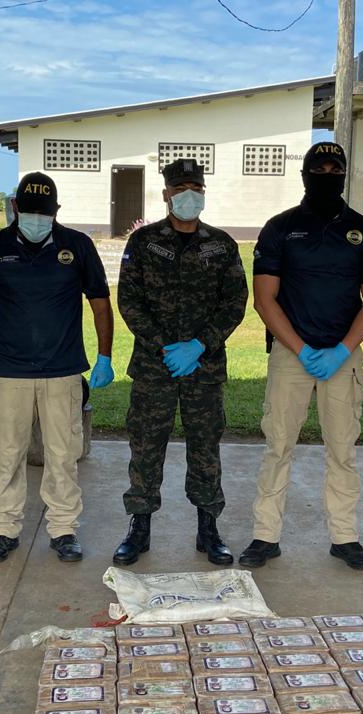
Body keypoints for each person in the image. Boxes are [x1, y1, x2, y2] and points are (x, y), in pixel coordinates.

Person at [0, 172, 113, 563]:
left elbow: (100, 302)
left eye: (45, 212)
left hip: (63, 370)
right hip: (9, 371)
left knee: (63, 454)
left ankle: (64, 529)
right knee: (7, 454)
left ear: (56, 211)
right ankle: (3, 529)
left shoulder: (78, 245)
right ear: (15, 207)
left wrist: (105, 356)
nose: (37, 219)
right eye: (30, 211)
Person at [241, 142, 363, 571]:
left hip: (343, 356)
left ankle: (345, 537)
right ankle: (265, 536)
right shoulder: (280, 227)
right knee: (278, 446)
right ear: (304, 174)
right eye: (318, 169)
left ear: (344, 174)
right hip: (292, 355)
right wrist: (301, 349)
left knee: (342, 449)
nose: (327, 175)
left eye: (334, 169)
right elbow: (264, 299)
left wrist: (342, 350)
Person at [114, 158, 248, 566]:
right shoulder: (143, 242)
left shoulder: (222, 244)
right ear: (166, 195)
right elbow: (129, 301)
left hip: (203, 369)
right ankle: (139, 528)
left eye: (195, 189)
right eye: (180, 189)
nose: (188, 195)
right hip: (154, 368)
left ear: (203, 193)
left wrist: (200, 346)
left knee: (206, 449)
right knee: (145, 447)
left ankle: (208, 529)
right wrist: (165, 347)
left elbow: (235, 302)